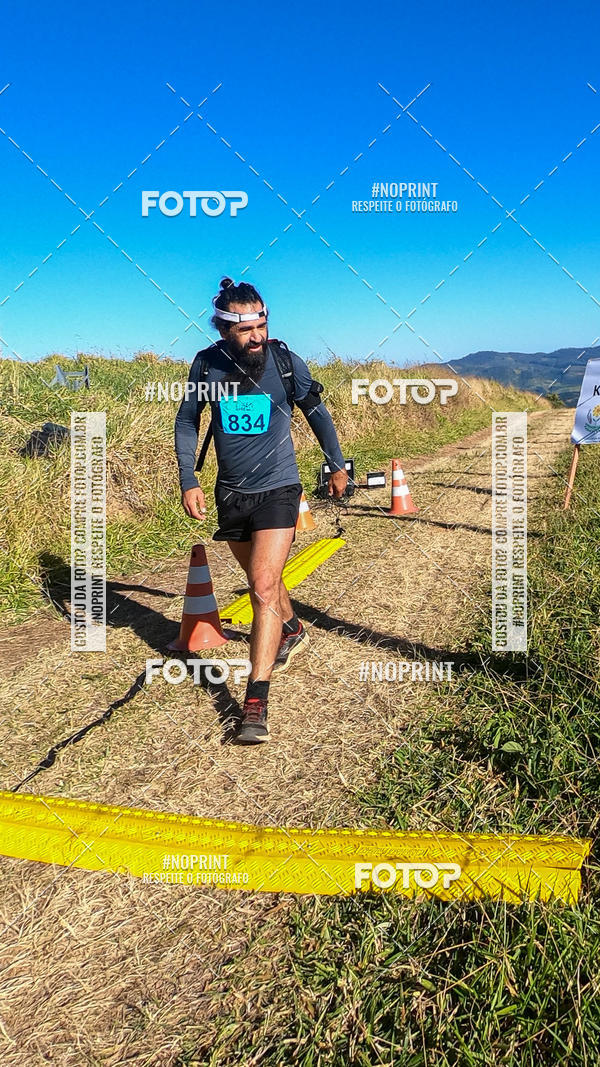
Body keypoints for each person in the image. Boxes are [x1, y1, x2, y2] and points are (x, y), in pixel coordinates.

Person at [174, 277, 348, 745]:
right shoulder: (206, 366)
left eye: (263, 324)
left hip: (279, 487)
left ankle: (256, 698)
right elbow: (188, 420)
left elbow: (316, 411)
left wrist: (335, 463)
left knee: (263, 583)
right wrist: (188, 479)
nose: (258, 336)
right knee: (261, 579)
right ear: (224, 328)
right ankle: (290, 626)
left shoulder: (285, 362)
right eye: (247, 329)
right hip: (231, 492)